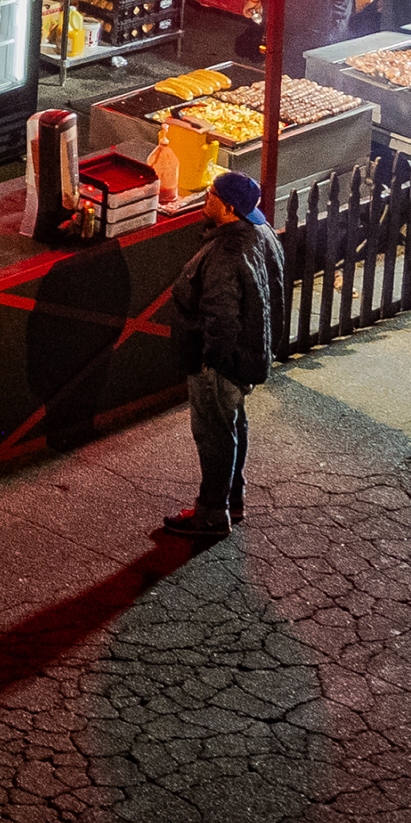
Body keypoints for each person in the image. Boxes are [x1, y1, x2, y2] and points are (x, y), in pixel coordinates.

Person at [161, 172, 283, 544]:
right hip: (248, 355)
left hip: (218, 363)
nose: (205, 199)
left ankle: (212, 513)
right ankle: (234, 498)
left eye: (211, 195)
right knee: (233, 427)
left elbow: (221, 316)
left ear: (228, 208)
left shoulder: (224, 255)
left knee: (215, 434)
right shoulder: (263, 235)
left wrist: (209, 361)